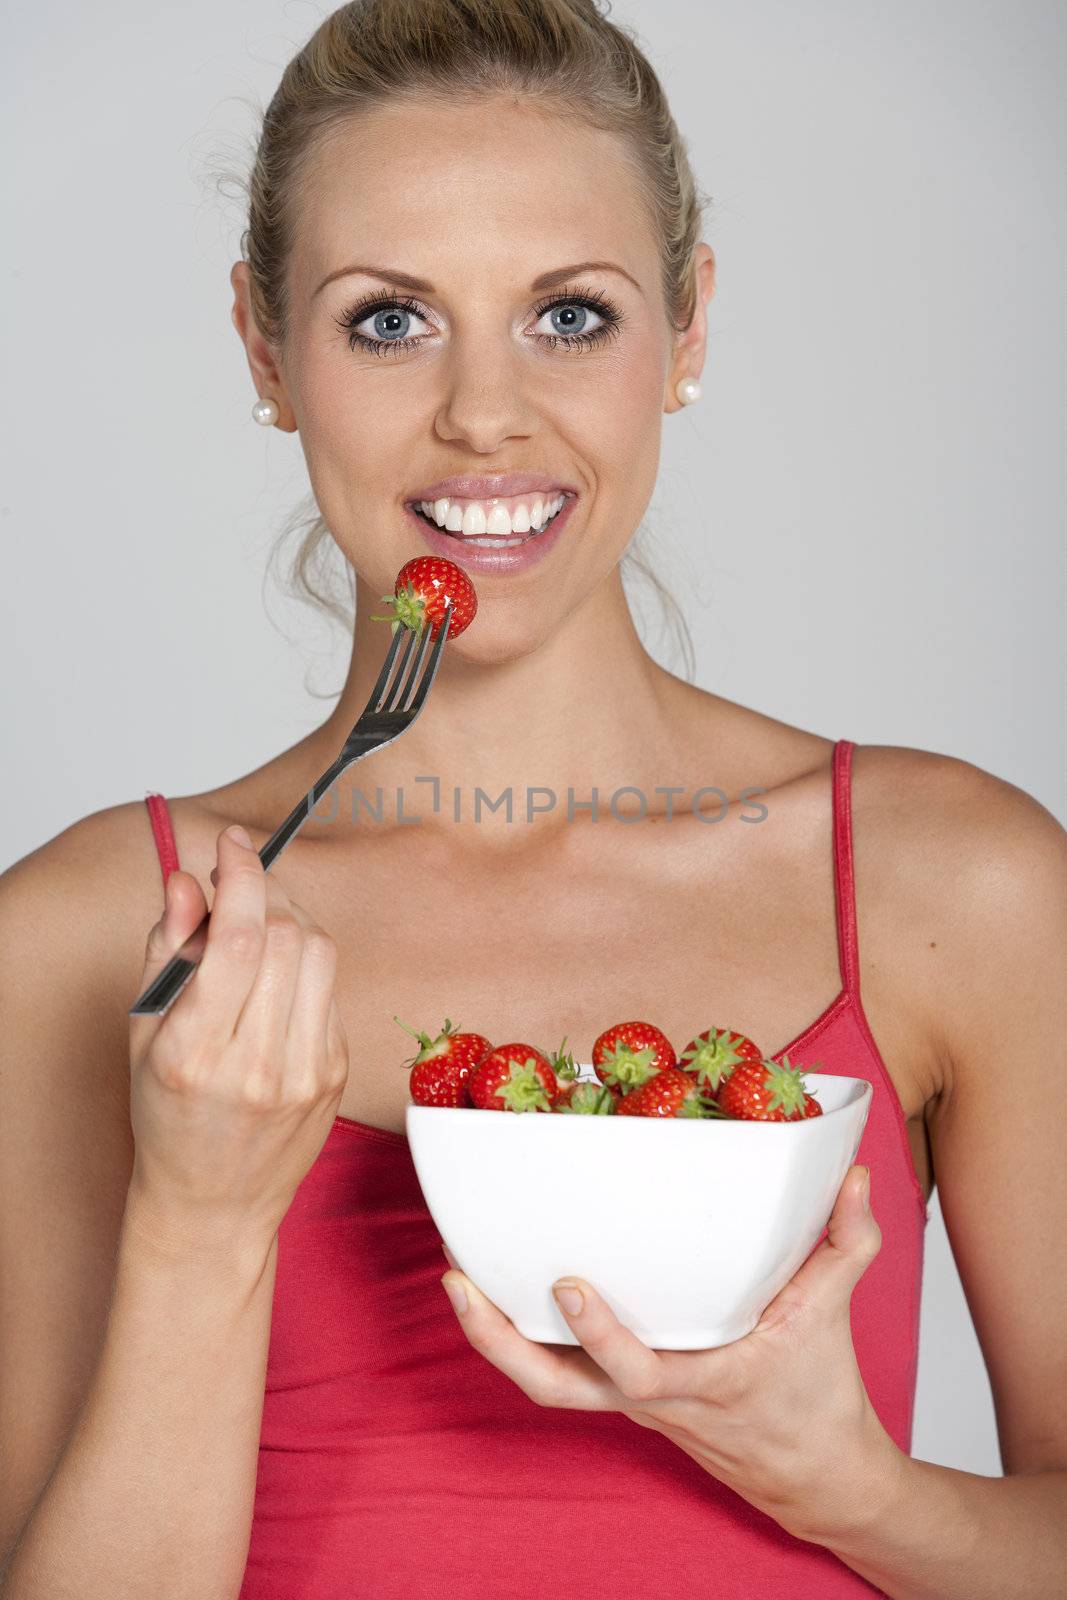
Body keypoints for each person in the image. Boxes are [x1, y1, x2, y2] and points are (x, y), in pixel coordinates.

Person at [1, 1, 1064, 1596]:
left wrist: (847, 1487)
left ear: (690, 328)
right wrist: (201, 1228)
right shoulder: (89, 936)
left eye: (571, 317)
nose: (485, 416)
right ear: (261, 347)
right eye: (387, 321)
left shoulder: (955, 887)